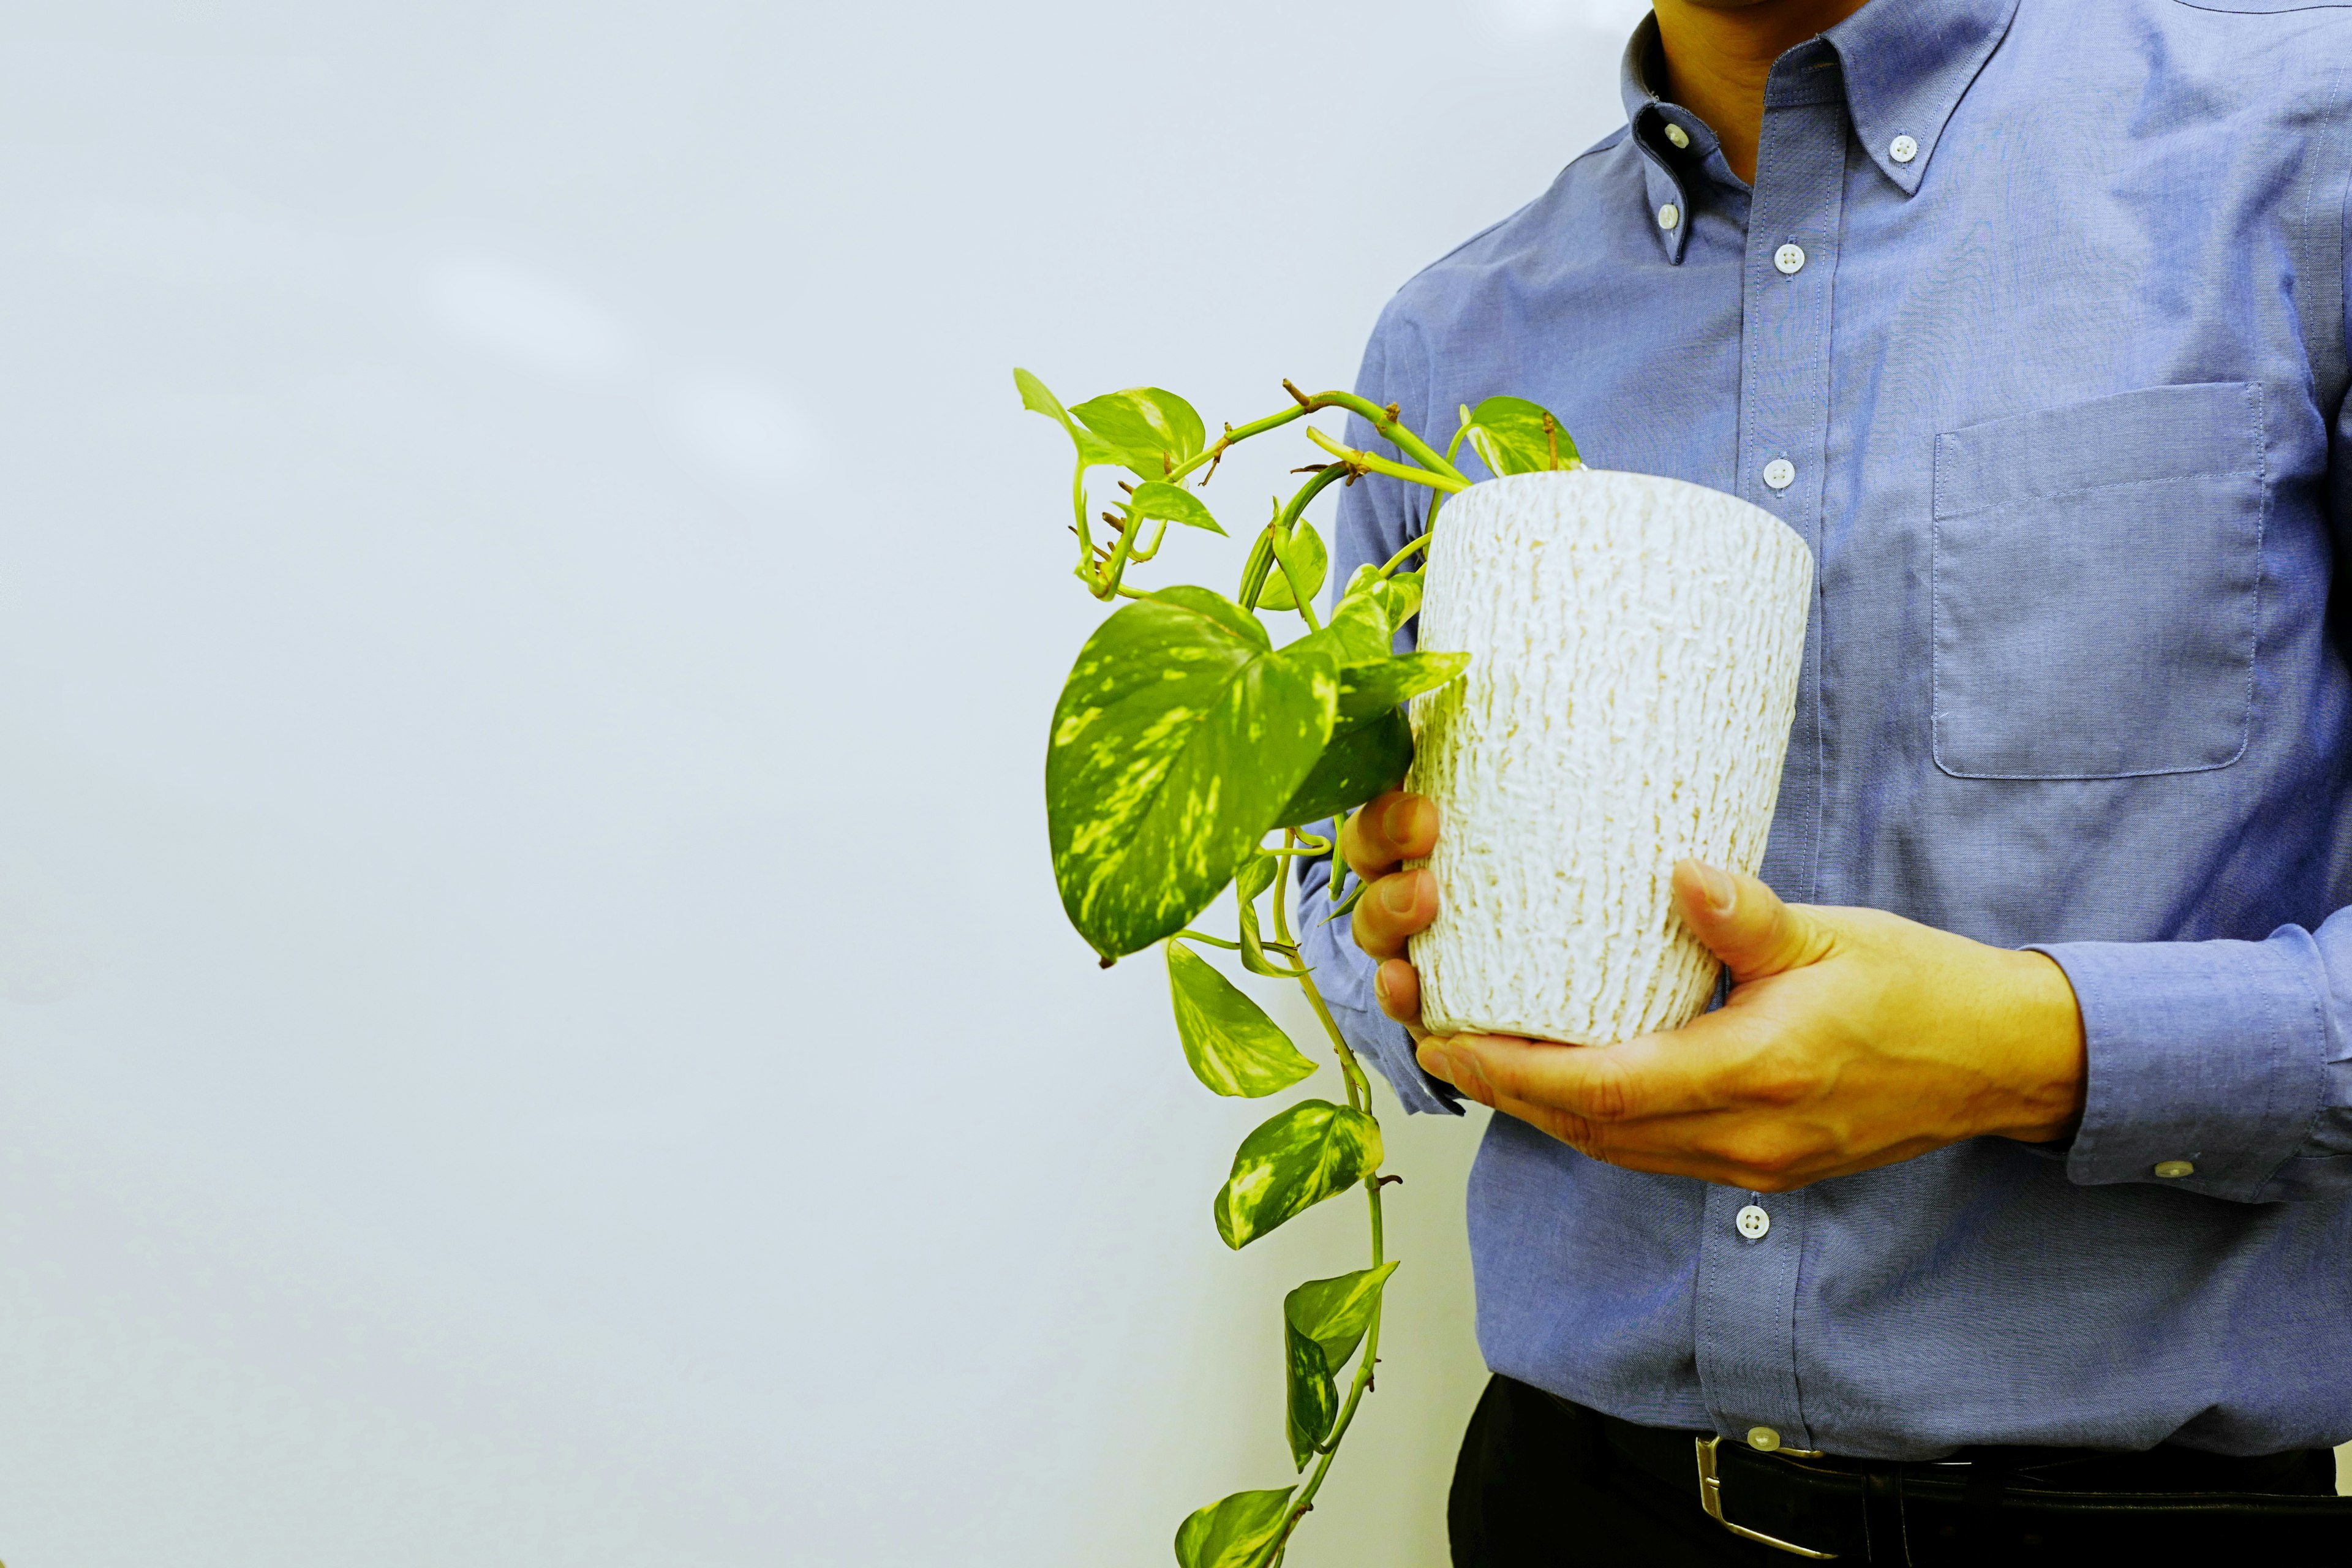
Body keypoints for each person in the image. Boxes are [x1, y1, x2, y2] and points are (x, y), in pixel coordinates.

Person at [1295, 0, 2352, 1559]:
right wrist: (1411, 944)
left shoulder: (2304, 145)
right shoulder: (1450, 346)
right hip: (1574, 1499)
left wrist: (2033, 1048)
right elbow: (1342, 878)